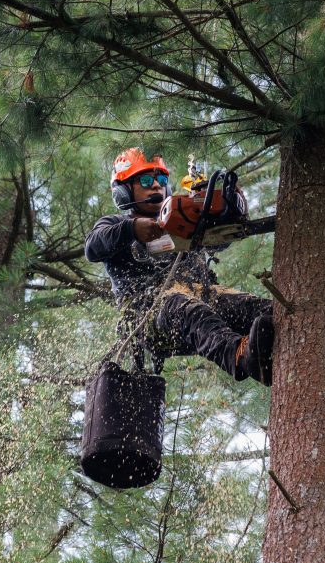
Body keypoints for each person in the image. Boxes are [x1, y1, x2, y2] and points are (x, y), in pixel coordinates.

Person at [84, 148, 275, 385]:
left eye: (161, 179)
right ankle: (239, 356)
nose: (155, 185)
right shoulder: (114, 225)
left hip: (201, 298)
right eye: (145, 180)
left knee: (255, 308)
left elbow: (219, 241)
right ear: (124, 190)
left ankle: (286, 344)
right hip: (149, 319)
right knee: (181, 304)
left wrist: (227, 212)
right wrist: (131, 229)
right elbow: (92, 248)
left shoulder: (180, 217)